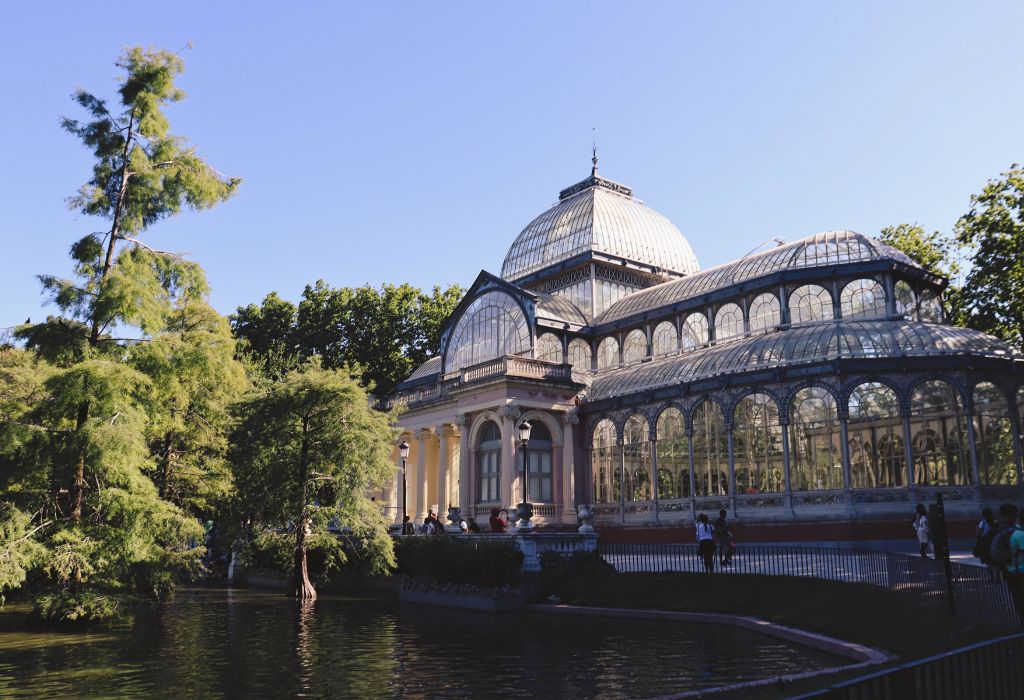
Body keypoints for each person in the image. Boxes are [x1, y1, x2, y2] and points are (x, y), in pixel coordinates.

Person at [1006, 507, 1024, 626]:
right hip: (1021, 572)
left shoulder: (1013, 532)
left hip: (1013, 571)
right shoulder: (1020, 535)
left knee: (1020, 600)